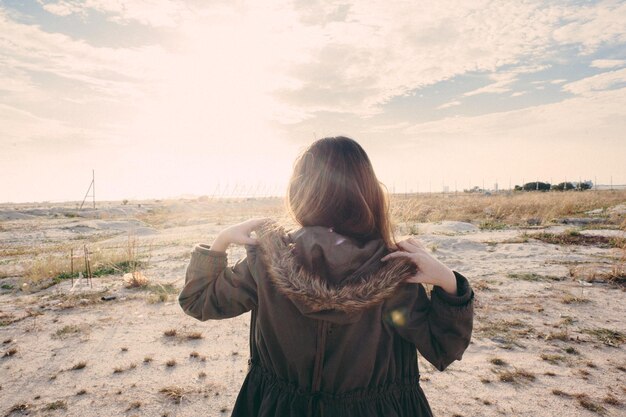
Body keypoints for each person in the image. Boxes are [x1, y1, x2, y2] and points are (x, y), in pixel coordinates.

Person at [179, 136, 474, 417]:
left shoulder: (266, 260)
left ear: (300, 191)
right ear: (369, 192)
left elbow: (198, 301)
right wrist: (449, 282)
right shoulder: (392, 267)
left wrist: (220, 242)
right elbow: (443, 347)